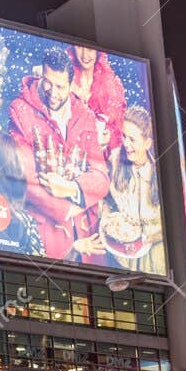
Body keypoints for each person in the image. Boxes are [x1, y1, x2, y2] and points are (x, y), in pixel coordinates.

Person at [5, 46, 110, 260]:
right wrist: (67, 210)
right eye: (48, 82)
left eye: (60, 86)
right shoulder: (19, 109)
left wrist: (71, 188)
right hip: (45, 238)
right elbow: (25, 179)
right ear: (41, 75)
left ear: (71, 84)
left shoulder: (85, 115)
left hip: (87, 239)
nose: (53, 92)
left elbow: (101, 177)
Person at [77, 106, 166, 275]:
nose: (126, 144)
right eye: (124, 136)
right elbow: (103, 195)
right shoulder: (116, 158)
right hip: (119, 257)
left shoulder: (160, 174)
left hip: (154, 262)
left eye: (132, 139)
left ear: (147, 143)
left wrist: (150, 237)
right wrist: (108, 221)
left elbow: (171, 221)